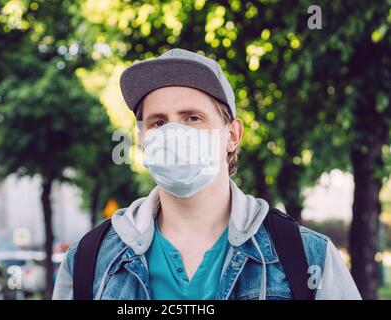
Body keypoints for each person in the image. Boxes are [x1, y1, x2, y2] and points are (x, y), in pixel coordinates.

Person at [53, 48, 361, 300]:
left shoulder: (306, 257)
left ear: (232, 135)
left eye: (193, 117)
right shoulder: (89, 261)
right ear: (142, 139)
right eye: (158, 122)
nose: (174, 132)